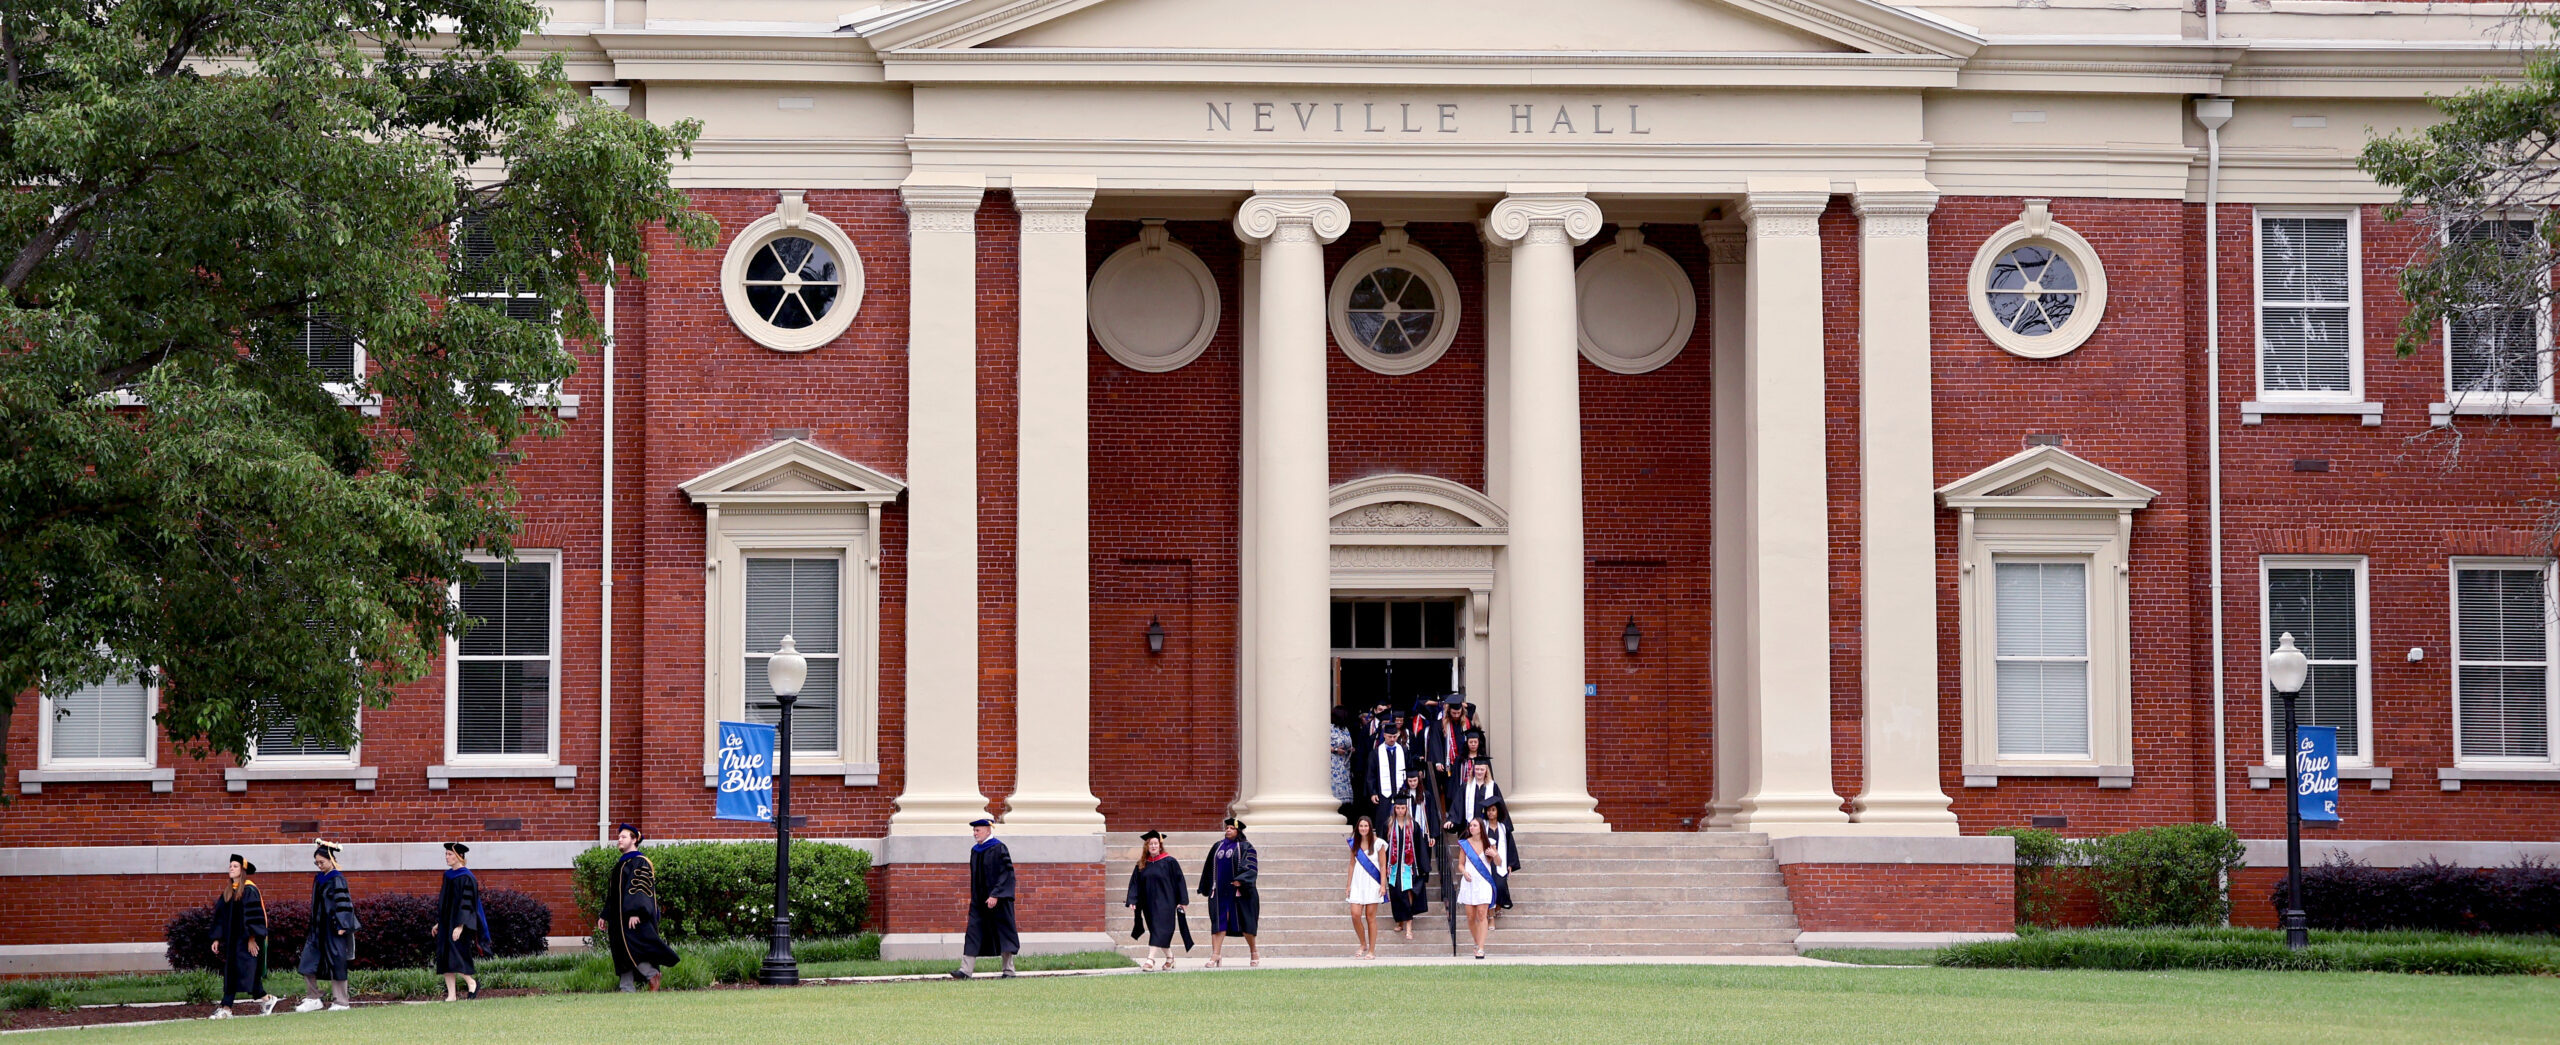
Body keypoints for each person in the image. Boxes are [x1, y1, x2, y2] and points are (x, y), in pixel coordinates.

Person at [599, 823, 680, 992]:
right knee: (621, 951)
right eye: (619, 837)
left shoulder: (640, 862)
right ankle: (626, 988)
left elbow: (640, 890)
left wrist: (636, 912)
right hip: (618, 918)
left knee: (634, 948)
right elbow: (612, 894)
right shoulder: (620, 865)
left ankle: (652, 975)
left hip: (633, 916)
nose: (619, 839)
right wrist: (604, 915)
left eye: (623, 837)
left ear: (634, 839)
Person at [208, 854, 278, 1019]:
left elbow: (255, 917)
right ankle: (230, 1007)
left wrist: (252, 939)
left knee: (247, 974)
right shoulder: (228, 892)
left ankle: (231, 1007)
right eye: (230, 866)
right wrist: (216, 938)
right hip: (233, 941)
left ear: (242, 870)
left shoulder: (249, 890)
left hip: (246, 940)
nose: (231, 868)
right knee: (234, 973)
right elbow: (220, 917)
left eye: (235, 866)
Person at [294, 840, 357, 1012]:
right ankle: (313, 998)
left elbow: (344, 903)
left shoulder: (337, 878)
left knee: (337, 963)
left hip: (334, 929)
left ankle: (341, 1002)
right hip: (317, 929)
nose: (320, 866)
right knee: (307, 961)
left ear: (331, 859)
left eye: (322, 862)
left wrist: (343, 924)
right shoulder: (319, 878)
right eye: (317, 863)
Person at [955, 818, 1019, 979]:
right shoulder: (975, 850)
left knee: (1003, 933)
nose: (974, 833)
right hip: (979, 901)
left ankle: (1009, 971)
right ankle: (965, 971)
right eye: (974, 830)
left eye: (978, 830)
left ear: (988, 830)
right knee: (973, 932)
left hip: (999, 900)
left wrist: (995, 894)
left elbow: (1007, 873)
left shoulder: (999, 848)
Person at [1123, 831, 1189, 972]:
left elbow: (1180, 881)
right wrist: (1132, 900)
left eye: (1155, 843)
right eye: (1150, 844)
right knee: (1156, 931)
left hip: (1166, 902)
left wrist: (1183, 901)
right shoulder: (1142, 864)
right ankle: (1170, 958)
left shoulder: (1169, 861)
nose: (1153, 846)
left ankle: (1150, 960)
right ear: (1147, 846)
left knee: (1159, 930)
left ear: (1160, 845)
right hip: (1148, 903)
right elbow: (1135, 884)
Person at [1197, 818, 1260, 968]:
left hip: (1240, 892)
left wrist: (1241, 880)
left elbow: (1251, 866)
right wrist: (1207, 887)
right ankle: (1215, 955)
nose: (1228, 830)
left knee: (1246, 925)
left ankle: (1254, 952)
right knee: (1218, 923)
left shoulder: (1245, 847)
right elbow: (1209, 867)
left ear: (1238, 831)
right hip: (1219, 892)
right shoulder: (1218, 846)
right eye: (1227, 828)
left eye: (1232, 828)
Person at [433, 842, 489, 1001]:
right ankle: (451, 995)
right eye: (446, 854)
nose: (446, 857)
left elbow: (467, 904)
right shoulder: (448, 876)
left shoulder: (467, 877)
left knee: (456, 955)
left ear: (459, 856)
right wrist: (440, 922)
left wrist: (459, 926)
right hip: (447, 922)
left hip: (459, 923)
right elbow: (445, 902)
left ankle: (471, 983)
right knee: (444, 957)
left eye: (450, 854)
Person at [1381, 799, 1431, 941]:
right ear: (1394, 809)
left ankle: (1409, 925)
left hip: (1409, 865)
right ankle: (1399, 920)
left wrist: (1423, 866)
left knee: (1408, 891)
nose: (1400, 811)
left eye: (1403, 808)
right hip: (1393, 865)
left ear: (1406, 809)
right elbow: (1383, 846)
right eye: (1398, 808)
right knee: (1395, 892)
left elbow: (1420, 846)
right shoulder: (1388, 825)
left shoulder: (1413, 825)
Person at [1344, 816, 1385, 960]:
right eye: (1361, 826)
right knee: (1355, 914)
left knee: (1370, 917)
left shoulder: (1378, 843)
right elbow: (1351, 864)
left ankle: (1371, 951)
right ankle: (1363, 943)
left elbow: (1383, 866)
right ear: (1358, 828)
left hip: (1372, 883)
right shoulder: (1354, 843)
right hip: (1357, 882)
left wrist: (1383, 885)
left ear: (1370, 827)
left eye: (1366, 826)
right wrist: (1348, 885)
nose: (1363, 828)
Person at [1456, 818, 1498, 959]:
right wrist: (1464, 872)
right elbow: (1460, 864)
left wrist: (1495, 855)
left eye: (1474, 825)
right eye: (1470, 825)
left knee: (1481, 914)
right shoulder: (1465, 844)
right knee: (1470, 916)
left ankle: (1481, 948)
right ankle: (1476, 941)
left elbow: (1499, 862)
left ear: (1481, 828)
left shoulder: (1489, 843)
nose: (1471, 827)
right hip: (1469, 882)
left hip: (1483, 882)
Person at [1363, 711, 1411, 828]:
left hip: (1400, 791)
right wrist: (1373, 792)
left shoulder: (1403, 751)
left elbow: (1408, 770)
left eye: (1395, 736)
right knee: (1383, 822)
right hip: (1383, 793)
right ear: (1384, 735)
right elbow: (1371, 774)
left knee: (1401, 822)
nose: (1392, 739)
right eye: (1390, 737)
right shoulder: (1376, 753)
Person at [1483, 800, 1522, 917]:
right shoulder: (1483, 827)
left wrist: (1510, 864)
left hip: (1500, 862)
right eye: (1488, 810)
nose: (1490, 813)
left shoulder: (1504, 828)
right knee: (1489, 886)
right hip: (1486, 861)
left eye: (1493, 810)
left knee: (1500, 885)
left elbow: (1510, 846)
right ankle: (1490, 910)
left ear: (1498, 812)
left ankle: (1498, 906)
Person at [1448, 757, 1506, 833]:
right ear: (1473, 770)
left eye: (1482, 769)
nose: (1479, 772)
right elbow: (1458, 805)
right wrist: (1452, 820)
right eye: (1477, 769)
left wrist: (1505, 825)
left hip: (1487, 828)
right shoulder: (1466, 787)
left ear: (1486, 771)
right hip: (1469, 827)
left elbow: (1499, 806)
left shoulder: (1493, 786)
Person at [1329, 706, 1358, 822]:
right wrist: (1335, 750)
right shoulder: (1329, 728)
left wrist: (1350, 749)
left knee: (1346, 800)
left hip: (1344, 766)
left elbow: (1348, 743)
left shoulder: (1345, 729)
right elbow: (1321, 745)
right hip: (1333, 766)